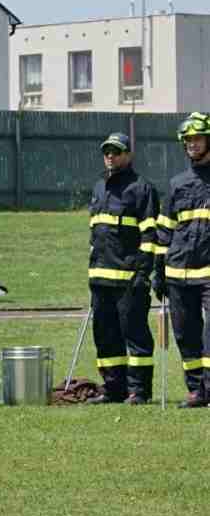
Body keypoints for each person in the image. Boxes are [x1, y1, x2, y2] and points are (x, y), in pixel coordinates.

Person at [85, 132, 160, 404]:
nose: (110, 156)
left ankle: (139, 391)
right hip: (100, 279)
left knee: (136, 336)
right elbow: (96, 234)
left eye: (116, 151)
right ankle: (114, 388)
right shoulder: (99, 187)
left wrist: (142, 274)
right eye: (106, 151)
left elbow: (151, 236)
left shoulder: (142, 189)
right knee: (105, 338)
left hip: (130, 281)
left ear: (128, 155)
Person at [159, 113, 210, 408]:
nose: (192, 144)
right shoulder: (178, 183)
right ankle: (196, 390)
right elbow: (165, 230)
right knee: (184, 333)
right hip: (178, 272)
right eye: (188, 140)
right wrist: (157, 269)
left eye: (197, 138)